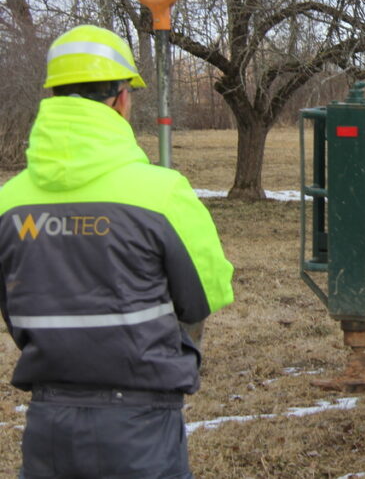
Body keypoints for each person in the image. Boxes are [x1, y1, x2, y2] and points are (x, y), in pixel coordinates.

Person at [0, 24, 234, 478]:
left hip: (47, 426)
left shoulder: (9, 202)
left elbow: (13, 308)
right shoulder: (162, 194)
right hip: (141, 427)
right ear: (121, 99)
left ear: (52, 96)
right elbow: (207, 294)